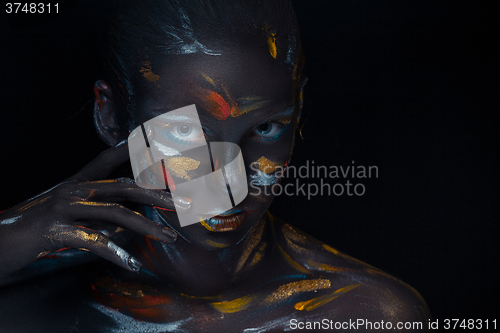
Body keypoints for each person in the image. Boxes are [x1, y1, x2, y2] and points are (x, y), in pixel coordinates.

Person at [0, 0, 431, 331]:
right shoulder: (25, 300)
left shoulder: (366, 314)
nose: (231, 184)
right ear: (111, 116)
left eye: (266, 127)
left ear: (301, 110)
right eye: (186, 133)